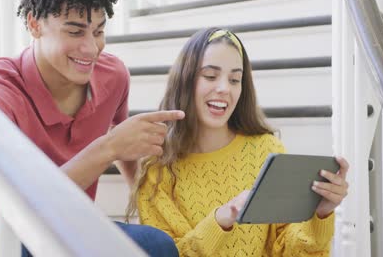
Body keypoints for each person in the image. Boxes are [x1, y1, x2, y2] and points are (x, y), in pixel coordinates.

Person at [0, 0, 182, 256]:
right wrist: (107, 148)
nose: (91, 48)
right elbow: (11, 217)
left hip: (72, 228)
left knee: (158, 245)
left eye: (98, 31)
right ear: (34, 25)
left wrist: (149, 208)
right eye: (75, 32)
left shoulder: (113, 76)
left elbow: (127, 153)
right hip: (4, 238)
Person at [126, 28, 350, 256]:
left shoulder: (266, 150)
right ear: (186, 80)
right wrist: (219, 221)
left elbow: (289, 250)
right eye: (210, 76)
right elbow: (166, 252)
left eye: (234, 79)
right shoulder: (157, 169)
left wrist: (320, 215)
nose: (224, 88)